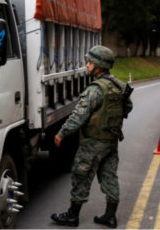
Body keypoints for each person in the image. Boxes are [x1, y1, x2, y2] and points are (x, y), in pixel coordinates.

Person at [51, 46, 133, 228]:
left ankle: (72, 215)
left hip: (92, 143)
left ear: (99, 66)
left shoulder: (95, 90)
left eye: (90, 62)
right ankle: (110, 216)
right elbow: (128, 107)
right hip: (111, 141)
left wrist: (61, 133)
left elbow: (78, 117)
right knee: (109, 176)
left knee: (81, 175)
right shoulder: (118, 85)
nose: (87, 65)